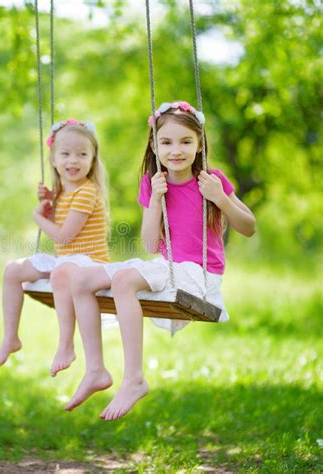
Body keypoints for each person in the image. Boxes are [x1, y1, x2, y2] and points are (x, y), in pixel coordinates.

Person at [65, 101, 256, 420]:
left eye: (185, 142)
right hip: (167, 268)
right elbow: (151, 244)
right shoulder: (152, 183)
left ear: (199, 145)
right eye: (166, 142)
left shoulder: (212, 180)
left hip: (201, 276)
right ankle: (96, 370)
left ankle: (134, 378)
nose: (175, 150)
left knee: (125, 280)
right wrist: (155, 198)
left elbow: (248, 227)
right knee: (81, 281)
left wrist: (220, 198)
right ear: (154, 145)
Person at [0, 119, 110, 377]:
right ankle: (10, 337)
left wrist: (39, 217)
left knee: (60, 273)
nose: (73, 160)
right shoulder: (61, 192)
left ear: (92, 159)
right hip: (67, 261)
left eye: (82, 154)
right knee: (13, 270)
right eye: (65, 154)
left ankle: (66, 345)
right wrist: (48, 204)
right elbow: (63, 243)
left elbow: (65, 236)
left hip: (91, 263)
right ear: (54, 160)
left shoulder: (87, 192)